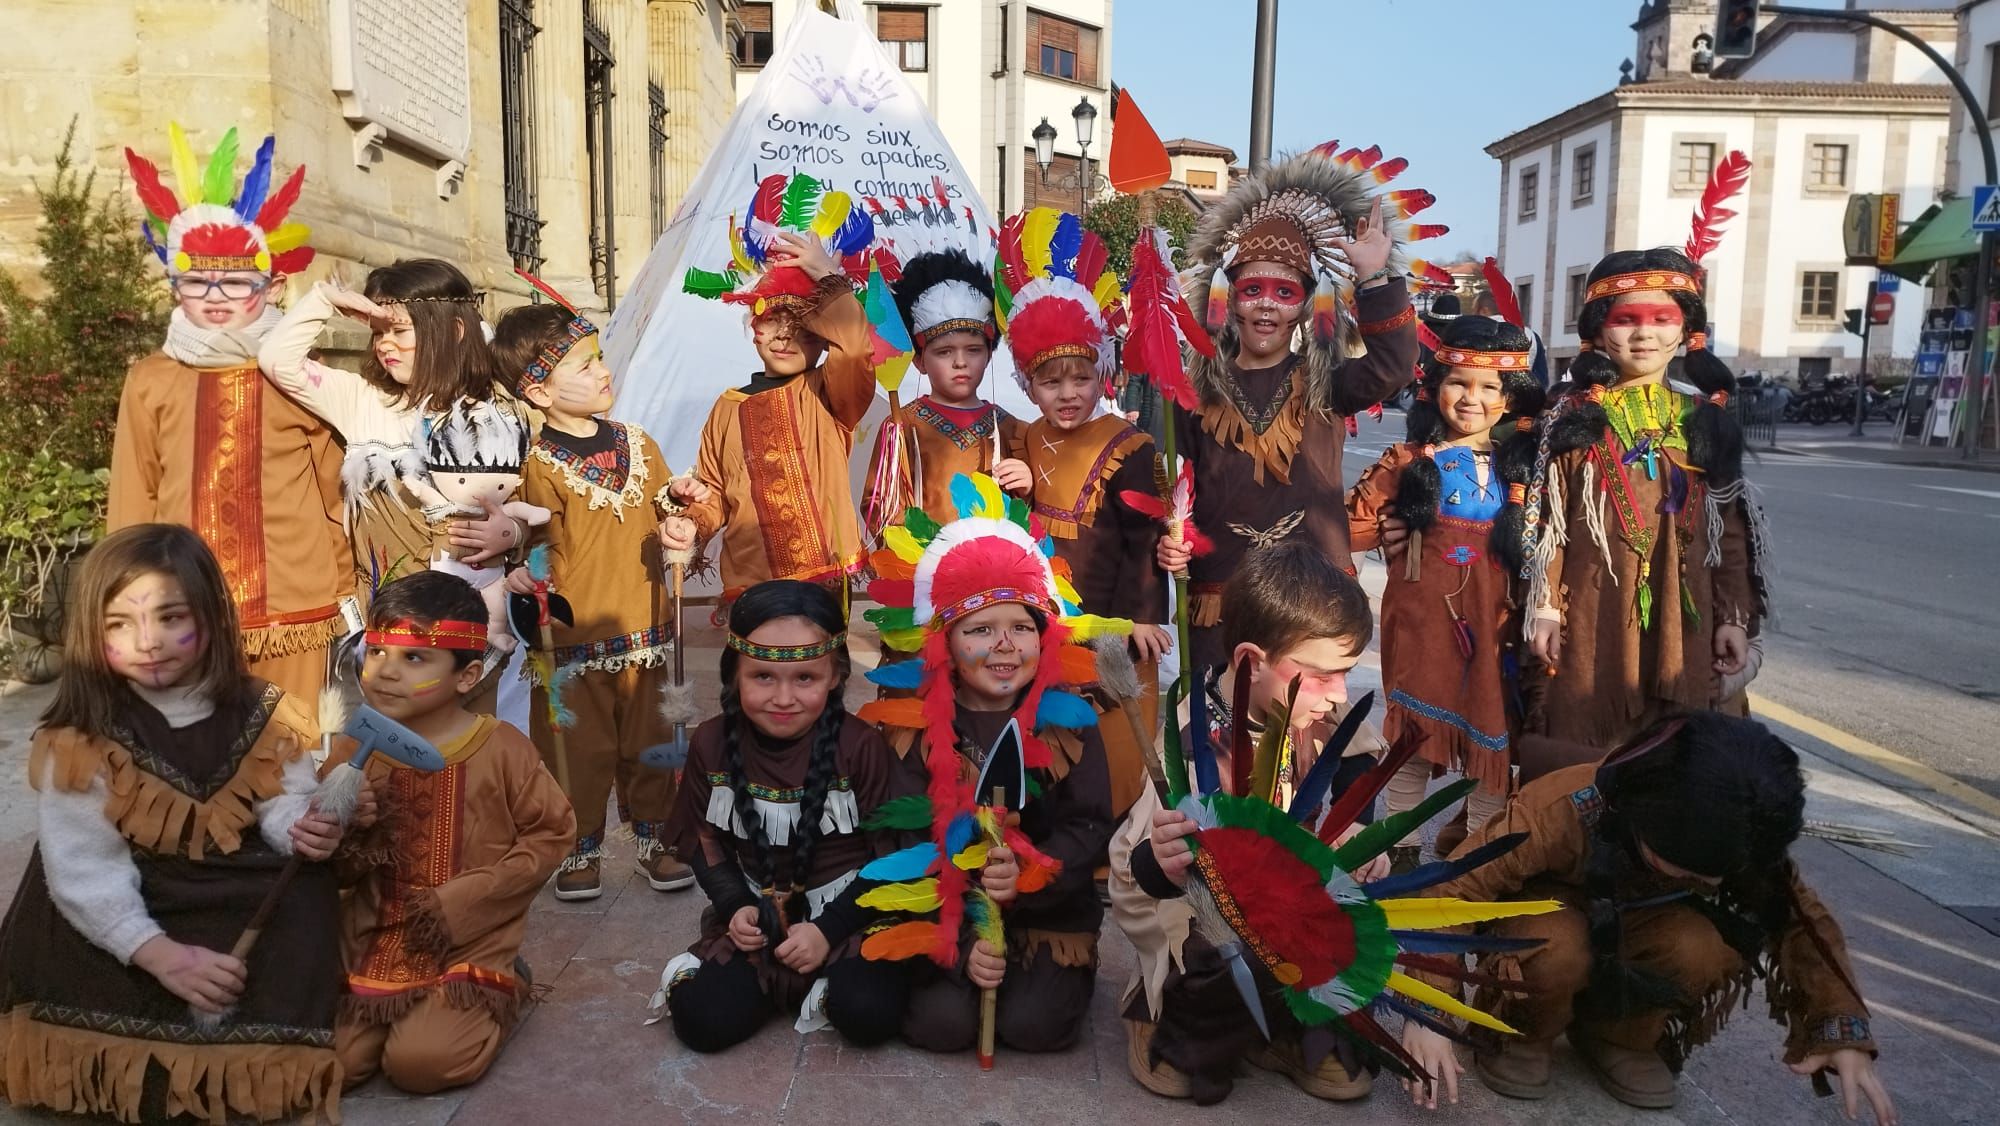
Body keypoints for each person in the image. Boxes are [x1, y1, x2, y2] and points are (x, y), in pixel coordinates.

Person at [1394, 712, 1897, 1124]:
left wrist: (1840, 1027)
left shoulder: (1737, 834)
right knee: (1551, 943)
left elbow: (1801, 918)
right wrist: (1430, 1012)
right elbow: (1455, 888)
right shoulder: (1558, 809)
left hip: (1644, 930)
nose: (1715, 885)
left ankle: (1623, 1035)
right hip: (1548, 923)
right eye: (1691, 871)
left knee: (1701, 945)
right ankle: (1519, 1031)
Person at [0, 523, 345, 1122]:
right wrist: (160, 956)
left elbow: (280, 797)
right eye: (120, 624)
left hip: (226, 881)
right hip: (128, 907)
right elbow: (85, 872)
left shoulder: (259, 708)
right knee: (65, 932)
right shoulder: (78, 738)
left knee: (308, 893)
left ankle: (269, 1038)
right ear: (90, 632)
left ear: (210, 617)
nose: (148, 641)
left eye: (169, 617)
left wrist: (298, 824)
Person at [1110, 539, 1388, 1105]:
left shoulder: (1335, 729)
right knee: (1215, 950)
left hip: (1289, 912)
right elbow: (1136, 876)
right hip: (1195, 918)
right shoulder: (1188, 746)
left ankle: (1289, 1031)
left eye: (1347, 674)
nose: (1338, 694)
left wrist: (1360, 848)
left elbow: (1340, 822)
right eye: (1319, 675)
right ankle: (1164, 1014)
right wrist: (1160, 862)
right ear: (1252, 662)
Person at [855, 473, 1125, 1055]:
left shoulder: (1068, 722)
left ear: (1045, 637)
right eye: (980, 629)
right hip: (944, 902)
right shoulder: (908, 728)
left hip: (1045, 909)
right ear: (944, 641)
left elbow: (1089, 826)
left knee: (1034, 1029)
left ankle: (1056, 978)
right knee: (942, 1027)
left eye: (1022, 629)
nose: (1005, 647)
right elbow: (893, 829)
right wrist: (969, 895)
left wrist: (1026, 878)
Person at [110, 123, 350, 704]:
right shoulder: (151, 378)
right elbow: (133, 494)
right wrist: (123, 595)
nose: (216, 297)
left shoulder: (296, 372)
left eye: (236, 283)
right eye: (198, 282)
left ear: (269, 286)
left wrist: (351, 588)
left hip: (294, 601)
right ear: (175, 288)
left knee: (290, 759)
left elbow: (335, 486)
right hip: (181, 606)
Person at [1158, 145, 1422, 673]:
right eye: (1251, 288)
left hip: (1314, 595)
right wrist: (1168, 539)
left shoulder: (1326, 384)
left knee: (1303, 730)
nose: (1265, 304)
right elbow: (1168, 484)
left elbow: (1394, 366)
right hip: (1220, 595)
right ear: (1228, 299)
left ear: (1306, 304)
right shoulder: (1192, 391)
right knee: (1221, 737)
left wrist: (1373, 279)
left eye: (1283, 292)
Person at [331, 571, 574, 1094]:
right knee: (336, 1066)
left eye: (414, 658)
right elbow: (332, 866)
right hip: (376, 935)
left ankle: (505, 986)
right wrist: (352, 828)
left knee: (422, 1065)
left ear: (466, 676)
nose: (385, 673)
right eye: (376, 653)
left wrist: (466, 898)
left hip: (471, 937)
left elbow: (551, 835)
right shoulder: (351, 751)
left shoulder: (502, 747)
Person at [1518, 247, 1770, 748]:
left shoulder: (1705, 418)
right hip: (1593, 612)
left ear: (1685, 330)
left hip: (1689, 617)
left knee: (1681, 756)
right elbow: (1547, 522)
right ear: (1597, 330)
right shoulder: (1570, 416)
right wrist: (1544, 607)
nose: (1643, 333)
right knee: (1586, 745)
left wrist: (1734, 619)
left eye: (1662, 318)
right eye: (1626, 319)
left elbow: (1731, 532)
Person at [492, 300, 700, 901]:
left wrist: (680, 503)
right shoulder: (538, 465)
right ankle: (578, 847)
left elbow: (662, 507)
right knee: (577, 751)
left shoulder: (638, 441)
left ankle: (657, 840)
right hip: (572, 641)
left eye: (599, 359)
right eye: (582, 367)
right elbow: (534, 547)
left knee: (652, 742)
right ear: (539, 391)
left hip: (649, 628)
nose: (602, 372)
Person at [653, 580, 906, 1051]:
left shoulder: (861, 748)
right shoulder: (710, 743)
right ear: (734, 676)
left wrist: (828, 931)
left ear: (834, 676)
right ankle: (755, 975)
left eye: (804, 678)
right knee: (702, 1025)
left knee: (869, 1016)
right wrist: (735, 907)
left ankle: (830, 981)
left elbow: (888, 858)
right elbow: (703, 841)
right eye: (763, 677)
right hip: (758, 909)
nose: (783, 697)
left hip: (848, 913)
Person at [1347, 316, 1544, 870]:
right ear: (1435, 389)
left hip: (1497, 630)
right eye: (1459, 382)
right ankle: (1398, 853)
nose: (1472, 399)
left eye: (1489, 388)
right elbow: (1349, 532)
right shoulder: (1406, 464)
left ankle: (1477, 856)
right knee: (1411, 738)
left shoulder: (1527, 472)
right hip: (1422, 632)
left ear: (1509, 400)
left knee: (1493, 744)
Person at [995, 206, 1168, 817]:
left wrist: (1142, 618)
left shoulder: (1131, 445)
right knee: (1051, 729)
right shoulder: (1021, 439)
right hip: (1045, 618)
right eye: (1049, 382)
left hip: (1113, 620)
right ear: (1026, 382)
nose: (1067, 394)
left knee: (1117, 734)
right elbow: (1014, 531)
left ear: (1102, 371)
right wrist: (1011, 491)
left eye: (1079, 377)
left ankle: (1115, 836)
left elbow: (1144, 541)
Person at [258, 259, 529, 605]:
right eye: (377, 333)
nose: (385, 345)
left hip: (474, 616)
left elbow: (529, 505)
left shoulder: (494, 409)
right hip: (386, 612)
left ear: (455, 331)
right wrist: (324, 299)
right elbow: (276, 359)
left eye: (399, 332)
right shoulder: (362, 400)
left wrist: (514, 534)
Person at [673, 174, 878, 601]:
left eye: (803, 328)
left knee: (818, 671)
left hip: (822, 579)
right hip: (750, 586)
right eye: (773, 322)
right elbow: (714, 492)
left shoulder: (831, 395)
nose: (786, 338)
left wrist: (827, 279)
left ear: (824, 339)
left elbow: (856, 350)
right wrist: (691, 520)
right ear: (754, 330)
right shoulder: (726, 408)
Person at [862, 231, 1030, 532]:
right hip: (923, 572)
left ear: (990, 355)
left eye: (974, 350)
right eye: (944, 352)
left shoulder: (1012, 429)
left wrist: (1027, 491)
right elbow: (880, 507)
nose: (960, 362)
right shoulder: (902, 426)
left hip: (995, 572)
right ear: (919, 359)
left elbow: (1028, 515)